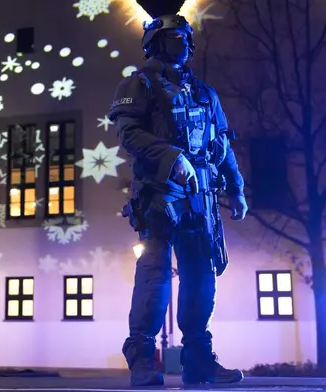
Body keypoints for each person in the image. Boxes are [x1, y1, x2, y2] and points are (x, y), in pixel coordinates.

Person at [108, 13, 248, 387]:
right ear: (155, 42)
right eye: (175, 37)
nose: (184, 43)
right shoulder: (138, 84)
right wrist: (172, 158)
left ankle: (199, 359)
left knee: (201, 275)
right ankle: (142, 357)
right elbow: (130, 135)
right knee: (155, 275)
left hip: (200, 195)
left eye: (186, 37)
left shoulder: (204, 93)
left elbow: (222, 143)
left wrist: (236, 186)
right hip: (159, 193)